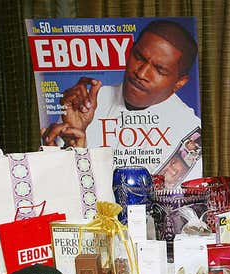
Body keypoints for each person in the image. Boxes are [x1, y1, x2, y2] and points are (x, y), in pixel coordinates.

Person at [41, 20, 202, 185]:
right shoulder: (90, 102)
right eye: (139, 57)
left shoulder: (189, 132)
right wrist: (68, 147)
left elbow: (160, 204)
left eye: (159, 70)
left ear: (179, 83)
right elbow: (56, 185)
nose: (141, 73)